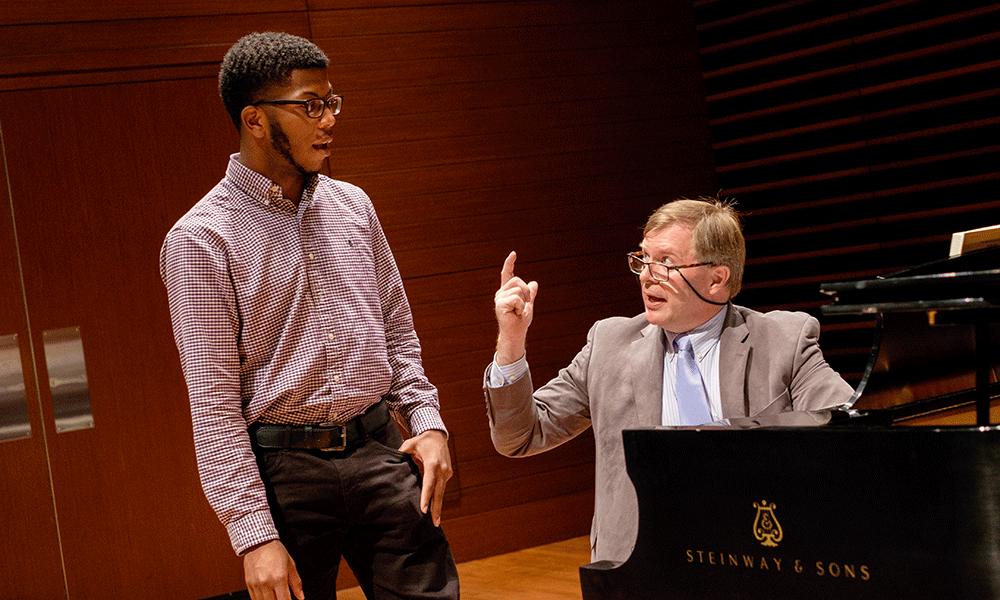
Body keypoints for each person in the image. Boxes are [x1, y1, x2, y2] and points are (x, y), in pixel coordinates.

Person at [160, 32, 458, 600]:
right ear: (254, 120)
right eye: (310, 106)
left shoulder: (353, 205)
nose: (328, 120)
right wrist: (252, 537)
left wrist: (427, 423)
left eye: (332, 103)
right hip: (284, 475)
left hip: (378, 452)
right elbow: (213, 404)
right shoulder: (201, 239)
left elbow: (397, 332)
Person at [485, 197, 854, 564]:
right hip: (640, 562)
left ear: (716, 279)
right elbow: (519, 436)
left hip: (756, 554)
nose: (647, 274)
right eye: (643, 258)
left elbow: (850, 431)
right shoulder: (610, 345)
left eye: (666, 262)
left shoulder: (783, 340)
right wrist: (512, 342)